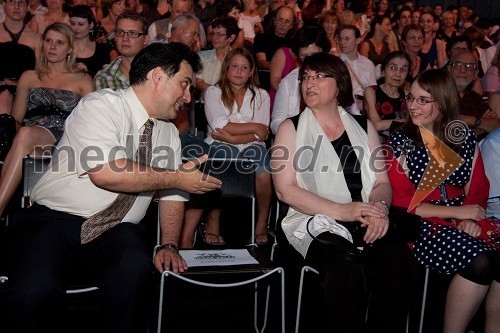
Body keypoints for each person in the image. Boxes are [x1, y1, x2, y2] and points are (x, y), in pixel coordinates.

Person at [4, 42, 222, 333]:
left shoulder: (168, 132)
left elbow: (172, 195)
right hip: (55, 219)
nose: (187, 96)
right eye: (184, 84)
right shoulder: (101, 105)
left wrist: (169, 243)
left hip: (118, 229)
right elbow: (106, 173)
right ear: (157, 76)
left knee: (134, 270)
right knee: (35, 289)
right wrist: (176, 177)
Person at [272, 52, 416, 332]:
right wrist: (342, 211)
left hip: (362, 218)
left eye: (319, 76)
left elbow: (381, 184)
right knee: (346, 266)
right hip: (312, 220)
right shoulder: (291, 127)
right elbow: (285, 191)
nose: (309, 83)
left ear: (339, 85)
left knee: (399, 263)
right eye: (306, 77)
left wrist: (380, 210)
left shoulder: (363, 126)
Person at [387, 68, 499, 333]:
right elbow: (404, 202)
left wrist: (470, 217)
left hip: (463, 217)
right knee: (480, 261)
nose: (413, 106)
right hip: (422, 223)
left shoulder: (464, 137)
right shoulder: (401, 140)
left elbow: (478, 188)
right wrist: (461, 215)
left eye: (423, 100)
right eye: (411, 98)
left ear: (443, 101)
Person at [0, 23, 93, 217]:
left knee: (25, 135)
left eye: (59, 42)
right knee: (21, 136)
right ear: (42, 44)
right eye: (48, 41)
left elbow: (89, 121)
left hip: (65, 134)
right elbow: (16, 119)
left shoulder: (82, 79)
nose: (52, 46)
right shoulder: (29, 76)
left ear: (69, 49)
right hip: (30, 134)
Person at [181, 47, 271, 247]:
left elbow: (262, 132)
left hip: (251, 144)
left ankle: (262, 221)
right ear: (227, 69)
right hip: (221, 143)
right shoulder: (213, 92)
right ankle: (213, 219)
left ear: (251, 71)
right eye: (235, 66)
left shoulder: (261, 95)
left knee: (264, 171)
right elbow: (220, 126)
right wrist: (252, 128)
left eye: (245, 67)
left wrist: (233, 137)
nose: (239, 71)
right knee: (223, 163)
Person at [271, 23, 330, 134]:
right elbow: (276, 122)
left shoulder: (334, 77)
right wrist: (295, 130)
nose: (308, 61)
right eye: (304, 56)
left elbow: (350, 111)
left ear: (323, 51)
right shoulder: (289, 82)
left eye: (313, 55)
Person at [0, 0, 40, 115]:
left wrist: (20, 83)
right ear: (3, 4)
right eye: (12, 2)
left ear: (28, 7)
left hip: (25, 89)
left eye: (21, 2)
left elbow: (40, 72)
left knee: (6, 96)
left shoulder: (36, 39)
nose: (16, 6)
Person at [94, 12, 149, 90]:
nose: (125, 38)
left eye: (132, 33)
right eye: (120, 32)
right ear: (115, 37)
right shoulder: (103, 78)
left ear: (146, 39)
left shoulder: (158, 71)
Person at [364, 51, 409, 141]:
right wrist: (404, 122)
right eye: (393, 68)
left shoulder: (407, 95)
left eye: (403, 70)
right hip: (375, 145)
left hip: (400, 146)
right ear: (383, 71)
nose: (398, 74)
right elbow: (377, 125)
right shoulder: (371, 91)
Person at [338, 24, 376, 115]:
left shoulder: (368, 64)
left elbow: (373, 91)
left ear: (358, 40)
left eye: (347, 39)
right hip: (344, 111)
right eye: (340, 39)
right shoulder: (336, 63)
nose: (342, 42)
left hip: (365, 110)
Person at [69, 5, 111, 77]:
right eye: (73, 24)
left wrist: (88, 73)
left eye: (80, 24)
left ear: (91, 25)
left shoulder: (102, 49)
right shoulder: (65, 47)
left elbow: (106, 79)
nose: (76, 28)